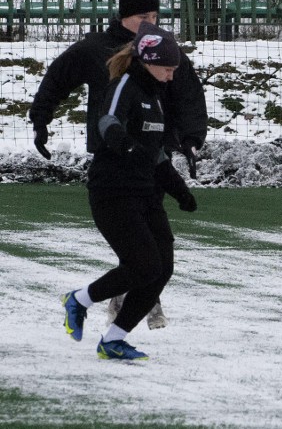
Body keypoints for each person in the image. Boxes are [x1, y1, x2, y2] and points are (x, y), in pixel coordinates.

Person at [29, 0, 207, 329]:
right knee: (139, 248)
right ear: (124, 16)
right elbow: (57, 77)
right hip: (115, 161)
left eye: (155, 18)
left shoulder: (163, 49)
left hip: (153, 159)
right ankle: (124, 300)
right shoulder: (97, 48)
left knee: (153, 251)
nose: (150, 25)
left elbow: (187, 93)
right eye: (143, 18)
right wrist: (41, 119)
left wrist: (189, 138)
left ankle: (128, 300)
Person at [61, 22, 197, 360]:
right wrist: (126, 146)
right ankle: (78, 300)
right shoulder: (125, 84)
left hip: (146, 194)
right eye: (167, 69)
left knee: (161, 268)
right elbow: (108, 121)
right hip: (113, 192)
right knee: (142, 265)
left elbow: (158, 154)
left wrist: (179, 190)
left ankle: (113, 340)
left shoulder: (154, 95)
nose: (171, 76)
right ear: (149, 62)